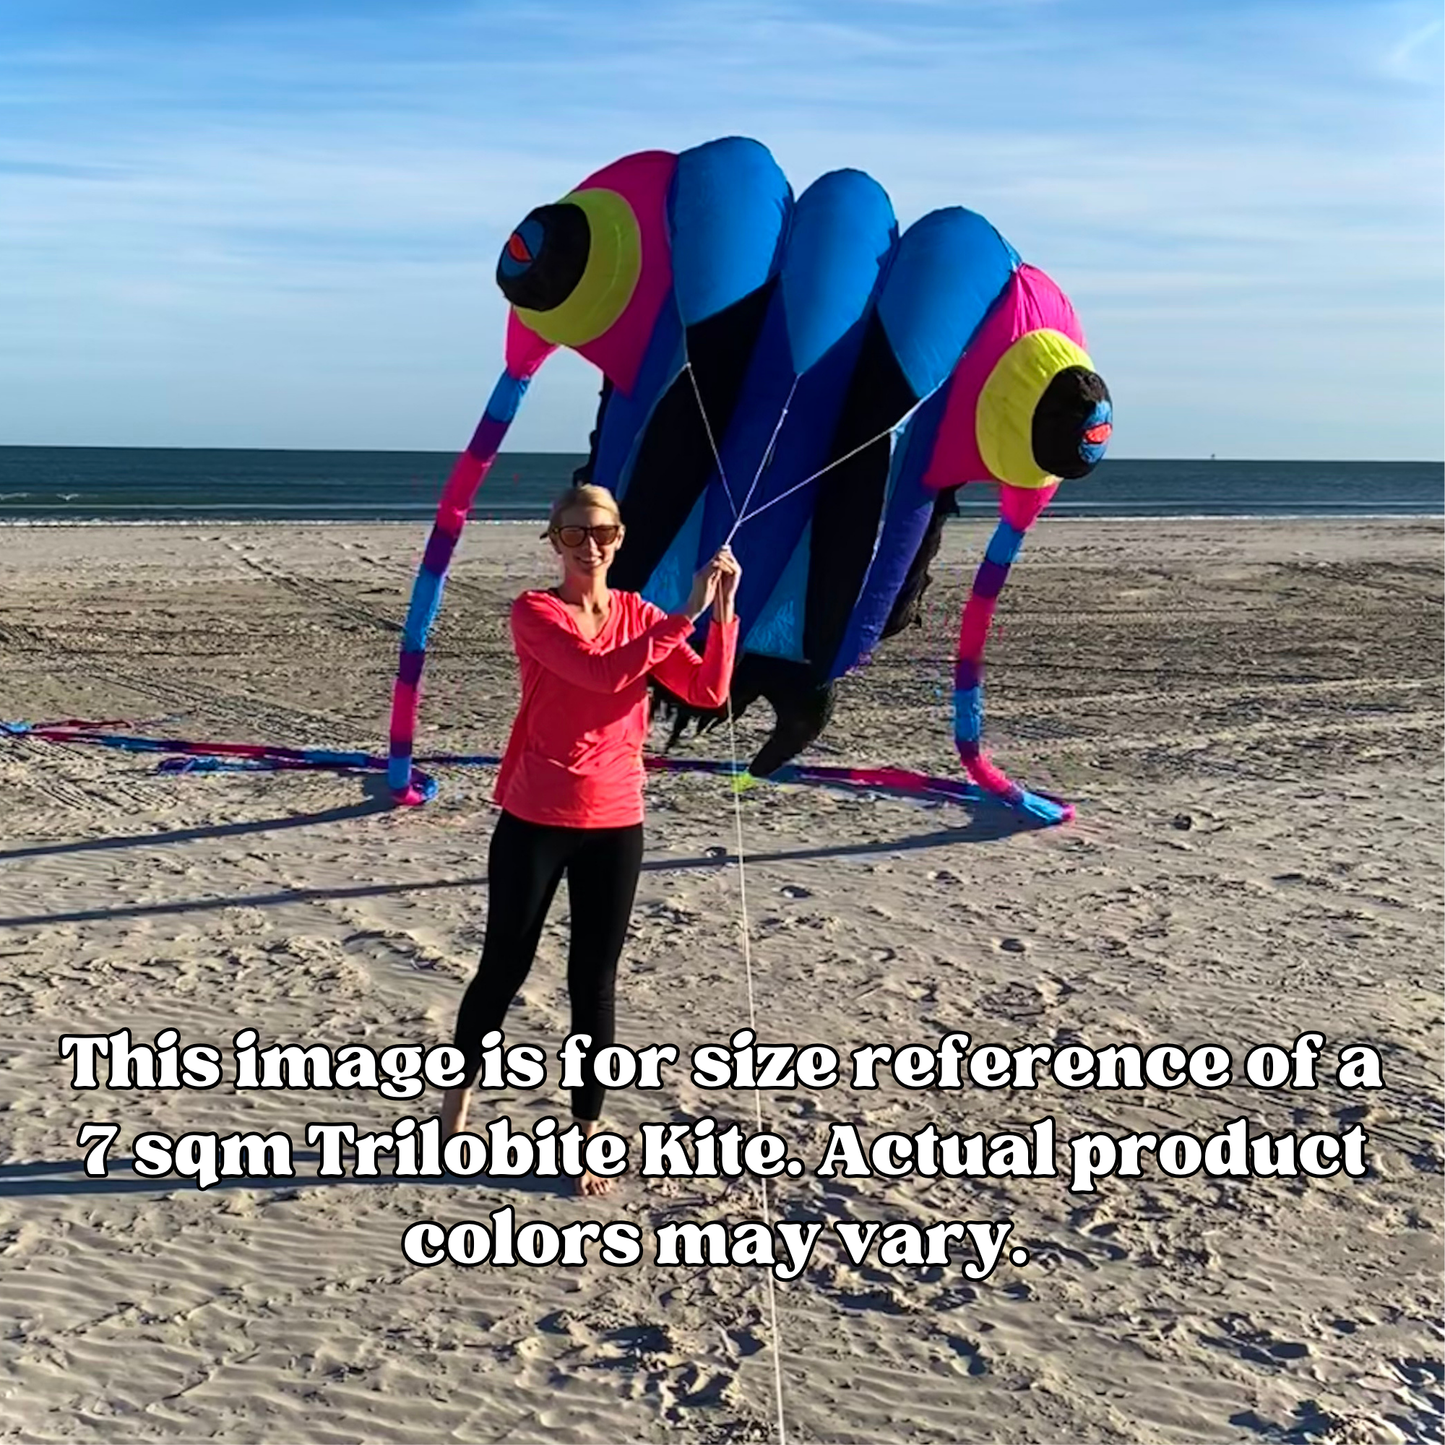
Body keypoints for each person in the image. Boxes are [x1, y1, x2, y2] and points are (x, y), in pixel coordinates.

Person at [440, 483, 740, 1195]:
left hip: (615, 818)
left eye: (601, 533)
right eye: (574, 533)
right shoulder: (534, 611)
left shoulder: (641, 616)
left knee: (593, 983)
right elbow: (601, 674)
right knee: (502, 968)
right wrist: (687, 612)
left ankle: (586, 1133)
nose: (589, 546)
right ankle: (456, 1099)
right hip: (535, 815)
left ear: (619, 537)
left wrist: (723, 612)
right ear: (554, 540)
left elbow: (707, 693)